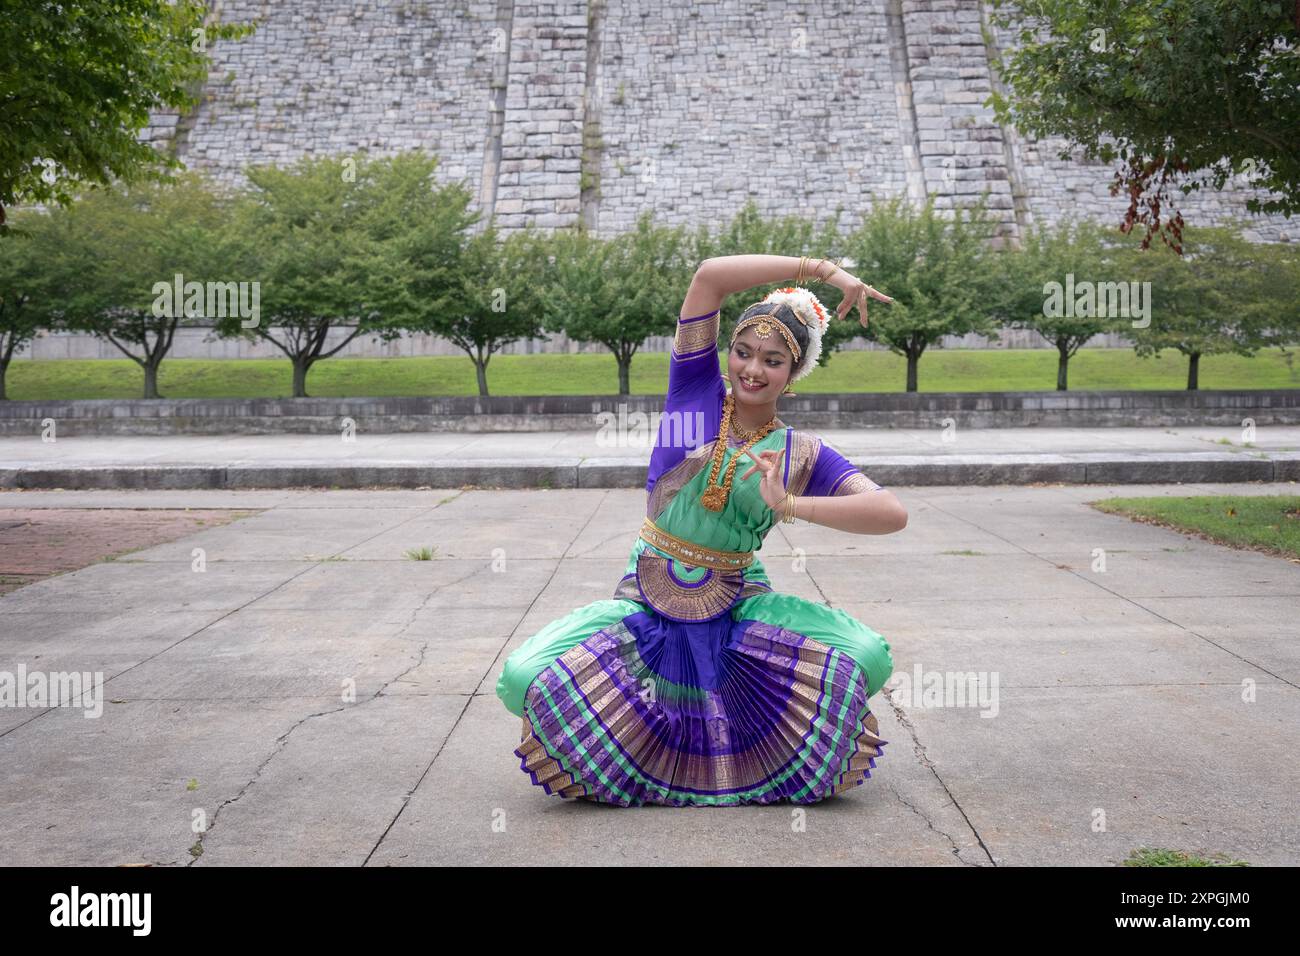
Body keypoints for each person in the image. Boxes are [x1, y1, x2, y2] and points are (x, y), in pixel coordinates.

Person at [495, 254, 906, 806]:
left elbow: (890, 512)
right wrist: (825, 271)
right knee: (522, 678)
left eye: (773, 360)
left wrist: (790, 505)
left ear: (793, 372)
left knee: (867, 657)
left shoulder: (801, 453)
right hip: (649, 596)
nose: (752, 369)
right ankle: (645, 735)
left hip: (737, 601)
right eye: (742, 352)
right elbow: (710, 276)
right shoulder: (693, 396)